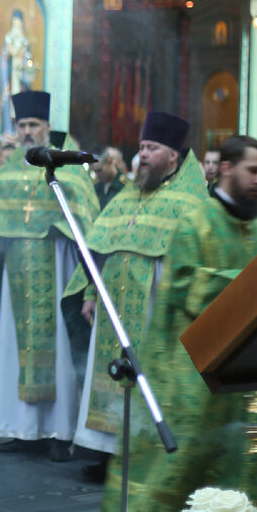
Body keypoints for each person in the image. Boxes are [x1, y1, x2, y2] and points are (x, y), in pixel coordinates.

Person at [98, 135, 257, 512]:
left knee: (244, 458)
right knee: (182, 459)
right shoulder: (196, 223)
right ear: (227, 169)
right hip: (193, 367)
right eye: (253, 170)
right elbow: (189, 288)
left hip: (249, 368)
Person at [65, 112, 206, 483]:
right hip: (113, 300)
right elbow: (102, 246)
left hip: (153, 302)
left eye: (152, 148)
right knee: (110, 370)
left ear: (173, 155)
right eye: (142, 147)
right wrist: (92, 292)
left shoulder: (189, 197)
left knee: (146, 373)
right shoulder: (129, 193)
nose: (143, 155)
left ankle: (143, 451)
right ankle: (105, 452)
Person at [0, 91, 100, 462]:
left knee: (57, 347)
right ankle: (22, 430)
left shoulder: (66, 162)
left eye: (33, 125)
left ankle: (60, 431)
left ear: (47, 127)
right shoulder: (10, 167)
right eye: (21, 125)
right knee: (14, 346)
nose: (26, 131)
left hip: (58, 260)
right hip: (16, 266)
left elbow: (84, 214)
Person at [89, 144, 128, 209]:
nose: (97, 175)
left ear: (110, 162)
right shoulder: (96, 187)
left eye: (99, 170)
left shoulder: (124, 186)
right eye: (94, 171)